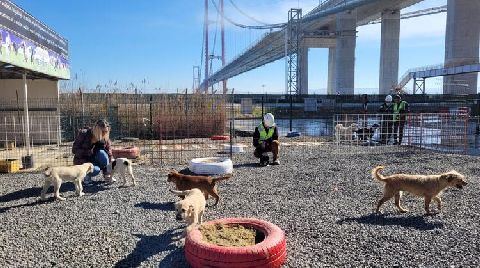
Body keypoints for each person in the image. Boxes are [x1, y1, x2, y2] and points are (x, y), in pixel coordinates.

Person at [72, 119, 114, 185]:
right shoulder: (84, 133)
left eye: (106, 131)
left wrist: (109, 169)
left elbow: (109, 152)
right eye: (102, 131)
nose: (104, 133)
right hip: (83, 161)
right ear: (97, 130)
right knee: (96, 170)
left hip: (94, 158)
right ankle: (86, 176)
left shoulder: (105, 137)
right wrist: (88, 151)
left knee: (102, 153)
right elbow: (74, 150)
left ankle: (107, 175)